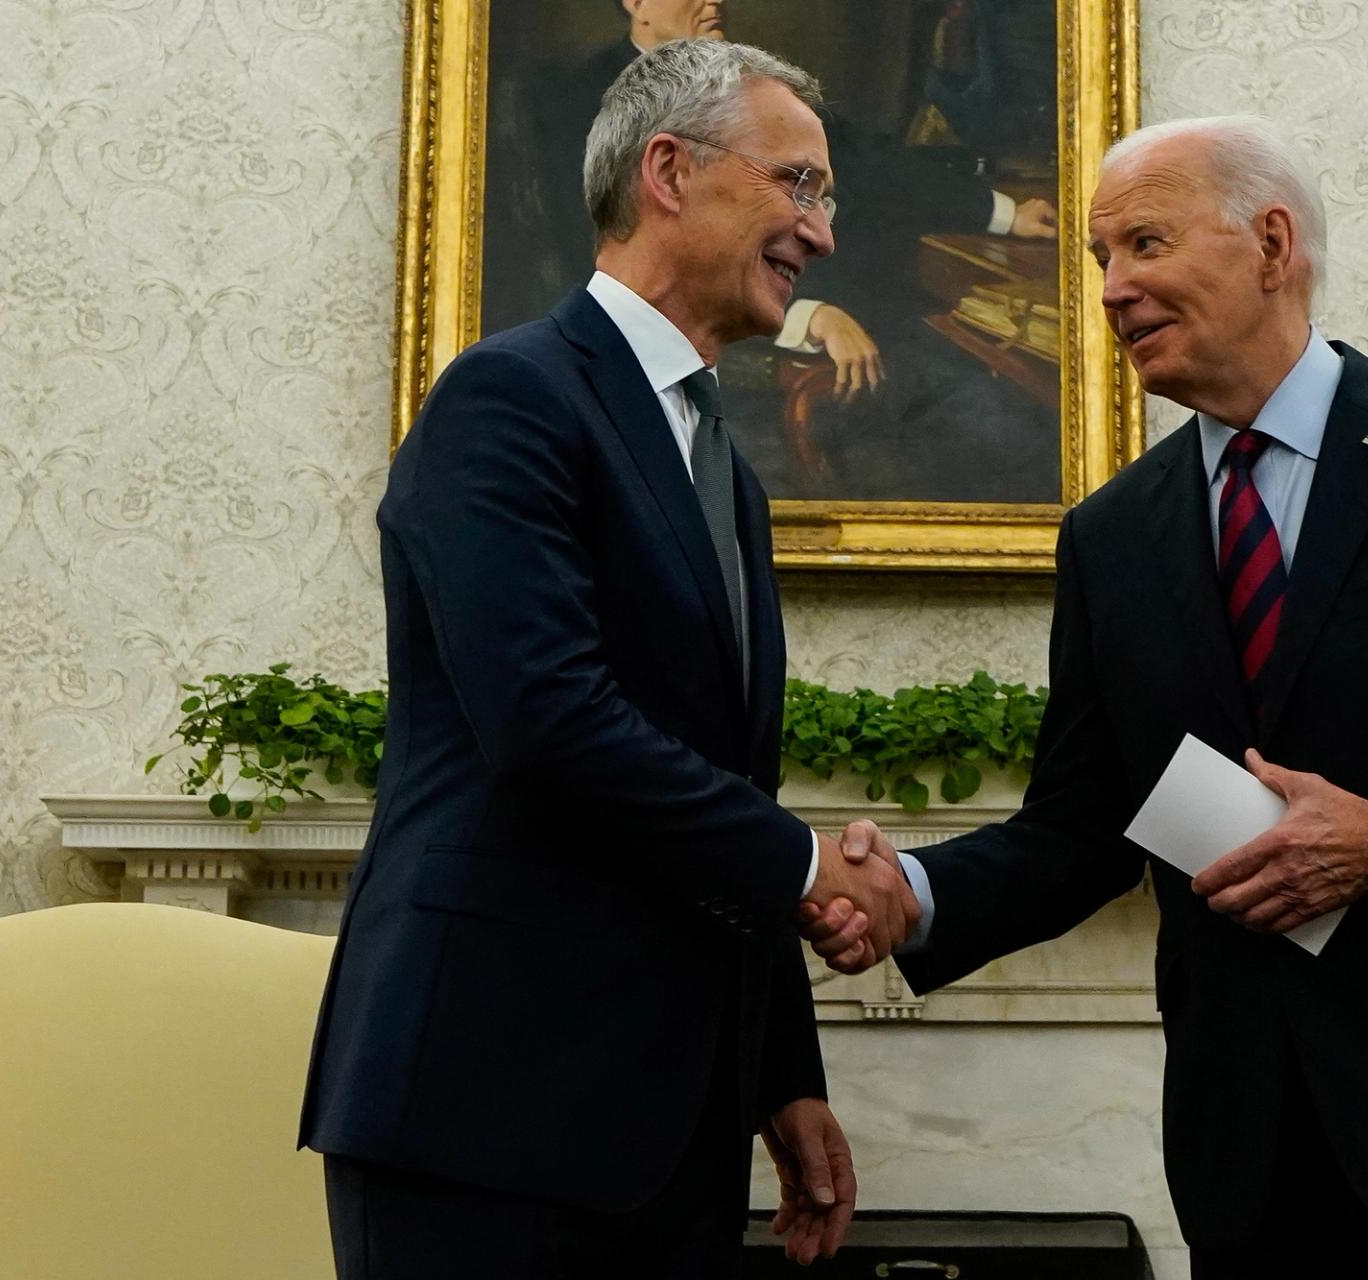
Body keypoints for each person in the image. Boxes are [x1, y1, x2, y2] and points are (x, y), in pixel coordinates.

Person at [805, 115, 1368, 1276]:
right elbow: (1084, 826)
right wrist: (910, 894)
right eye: (1099, 262)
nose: (1114, 291)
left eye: (1144, 243)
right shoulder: (1112, 534)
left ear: (1272, 243)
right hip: (1257, 1165)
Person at [300, 39, 920, 1279]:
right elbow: (548, 720)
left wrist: (783, 1076)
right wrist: (810, 863)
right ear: (672, 171)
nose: (824, 233)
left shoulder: (724, 469)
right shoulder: (509, 397)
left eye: (827, 197)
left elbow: (718, 787)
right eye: (800, 184)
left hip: (664, 1132)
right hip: (485, 1112)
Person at [482, 0, 1064, 501]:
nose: (713, 0)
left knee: (1011, 421)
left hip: (835, 313)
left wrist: (1003, 211)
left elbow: (870, 165)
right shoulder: (573, 105)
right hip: (694, 370)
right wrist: (808, 318)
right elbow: (616, 271)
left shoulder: (757, 88)